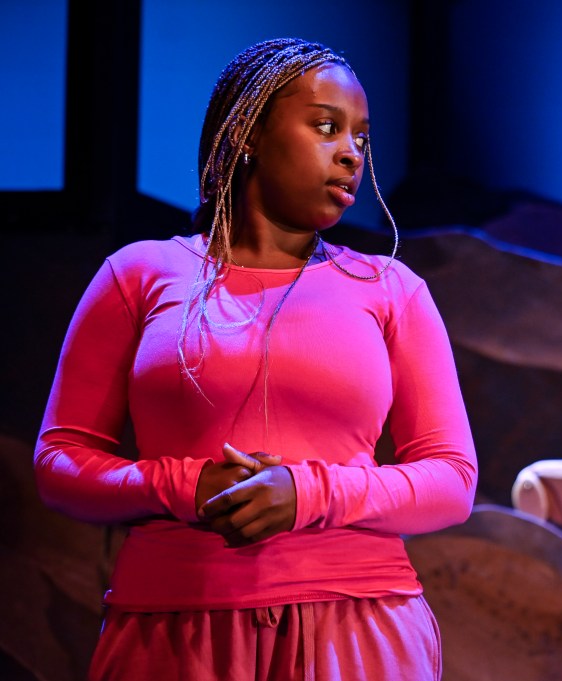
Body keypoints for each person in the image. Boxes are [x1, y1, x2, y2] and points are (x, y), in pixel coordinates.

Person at [34, 37, 477, 680]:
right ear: (247, 132)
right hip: (174, 624)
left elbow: (451, 479)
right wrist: (188, 488)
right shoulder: (139, 275)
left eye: (361, 137)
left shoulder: (390, 289)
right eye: (325, 126)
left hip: (356, 624)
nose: (351, 152)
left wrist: (306, 493)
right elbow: (60, 462)